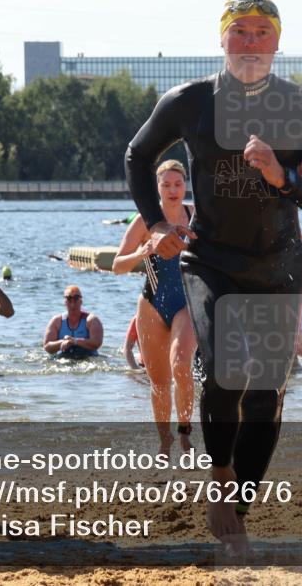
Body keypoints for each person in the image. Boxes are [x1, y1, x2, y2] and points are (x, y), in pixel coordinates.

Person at [124, 0, 302, 551]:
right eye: (239, 32)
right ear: (221, 38)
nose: (250, 42)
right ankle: (220, 483)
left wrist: (281, 178)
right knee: (221, 372)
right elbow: (137, 155)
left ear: (277, 42)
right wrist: (154, 226)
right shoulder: (189, 101)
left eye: (261, 32)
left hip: (278, 263)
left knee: (266, 393)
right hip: (211, 259)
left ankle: (237, 506)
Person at [113, 160, 198, 455]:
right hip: (151, 304)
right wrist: (144, 249)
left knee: (181, 364)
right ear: (157, 188)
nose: (173, 190)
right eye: (166, 185)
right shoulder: (145, 220)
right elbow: (117, 266)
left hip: (186, 304)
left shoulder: (194, 216)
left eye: (178, 184)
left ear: (185, 185)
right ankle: (165, 441)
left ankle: (185, 431)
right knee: (159, 382)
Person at [43, 285, 104, 360]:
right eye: (69, 299)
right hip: (63, 359)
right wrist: (62, 342)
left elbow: (97, 343)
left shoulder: (92, 320)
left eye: (76, 298)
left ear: (81, 301)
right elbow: (47, 346)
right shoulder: (56, 321)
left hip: (87, 359)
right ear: (65, 302)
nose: (72, 303)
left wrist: (75, 341)